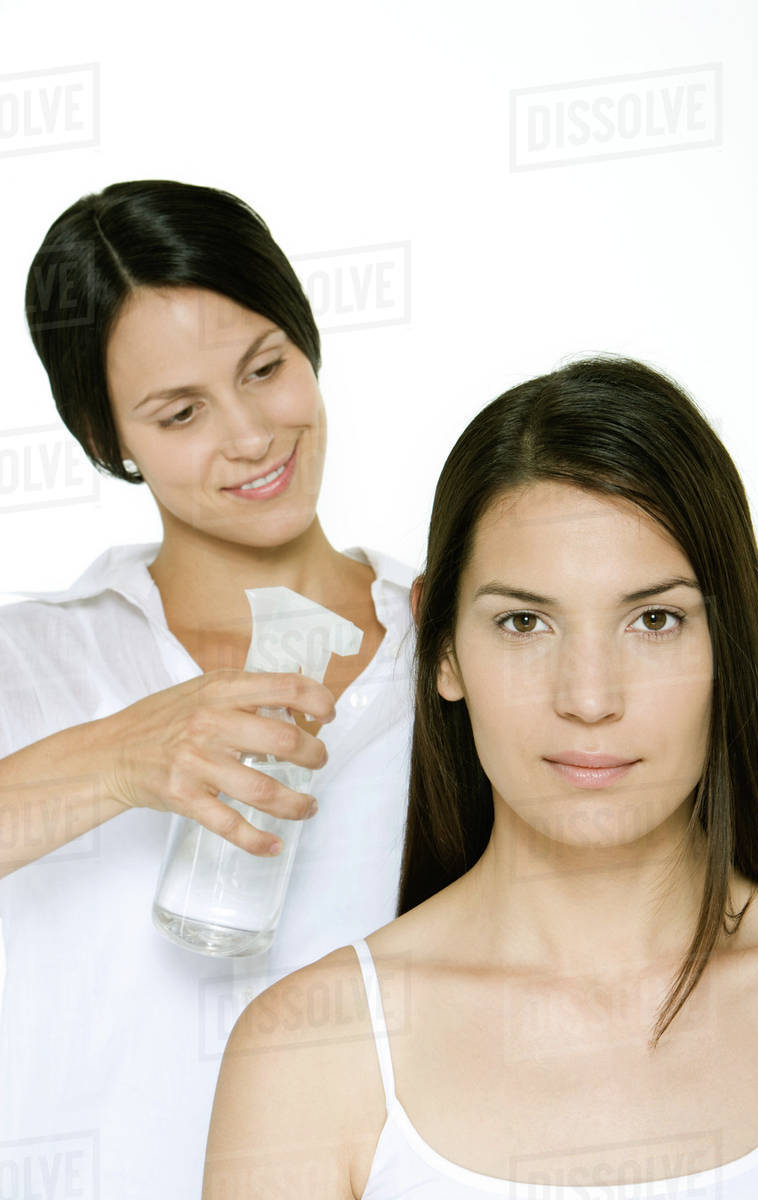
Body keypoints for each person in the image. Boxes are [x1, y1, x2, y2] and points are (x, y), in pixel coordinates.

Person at [206, 356, 758, 1198]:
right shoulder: (313, 1052)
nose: (589, 698)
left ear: (727, 640)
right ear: (443, 645)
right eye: (523, 622)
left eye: (654, 620)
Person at [0, 180, 415, 1199]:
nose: (251, 435)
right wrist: (115, 757)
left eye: (265, 368)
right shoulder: (33, 660)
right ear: (107, 442)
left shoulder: (456, 649)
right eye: (180, 413)